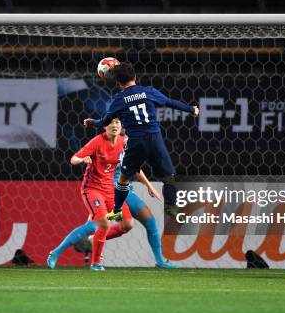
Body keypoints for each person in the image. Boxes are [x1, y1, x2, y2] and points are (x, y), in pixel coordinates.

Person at [47, 119, 177, 270]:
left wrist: (149, 186)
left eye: (118, 123)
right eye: (113, 123)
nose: (116, 126)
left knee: (123, 224)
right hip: (115, 191)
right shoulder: (106, 140)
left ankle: (158, 260)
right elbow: (76, 158)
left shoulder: (125, 142)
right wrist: (83, 159)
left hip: (118, 190)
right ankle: (89, 254)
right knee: (102, 223)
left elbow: (134, 167)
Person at [83, 62, 199, 221]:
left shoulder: (119, 99)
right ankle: (170, 207)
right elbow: (170, 102)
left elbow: (104, 121)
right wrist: (191, 110)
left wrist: (92, 122)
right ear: (135, 77)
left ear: (118, 82)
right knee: (169, 177)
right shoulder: (148, 92)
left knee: (122, 179)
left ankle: (116, 210)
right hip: (155, 139)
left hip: (136, 142)